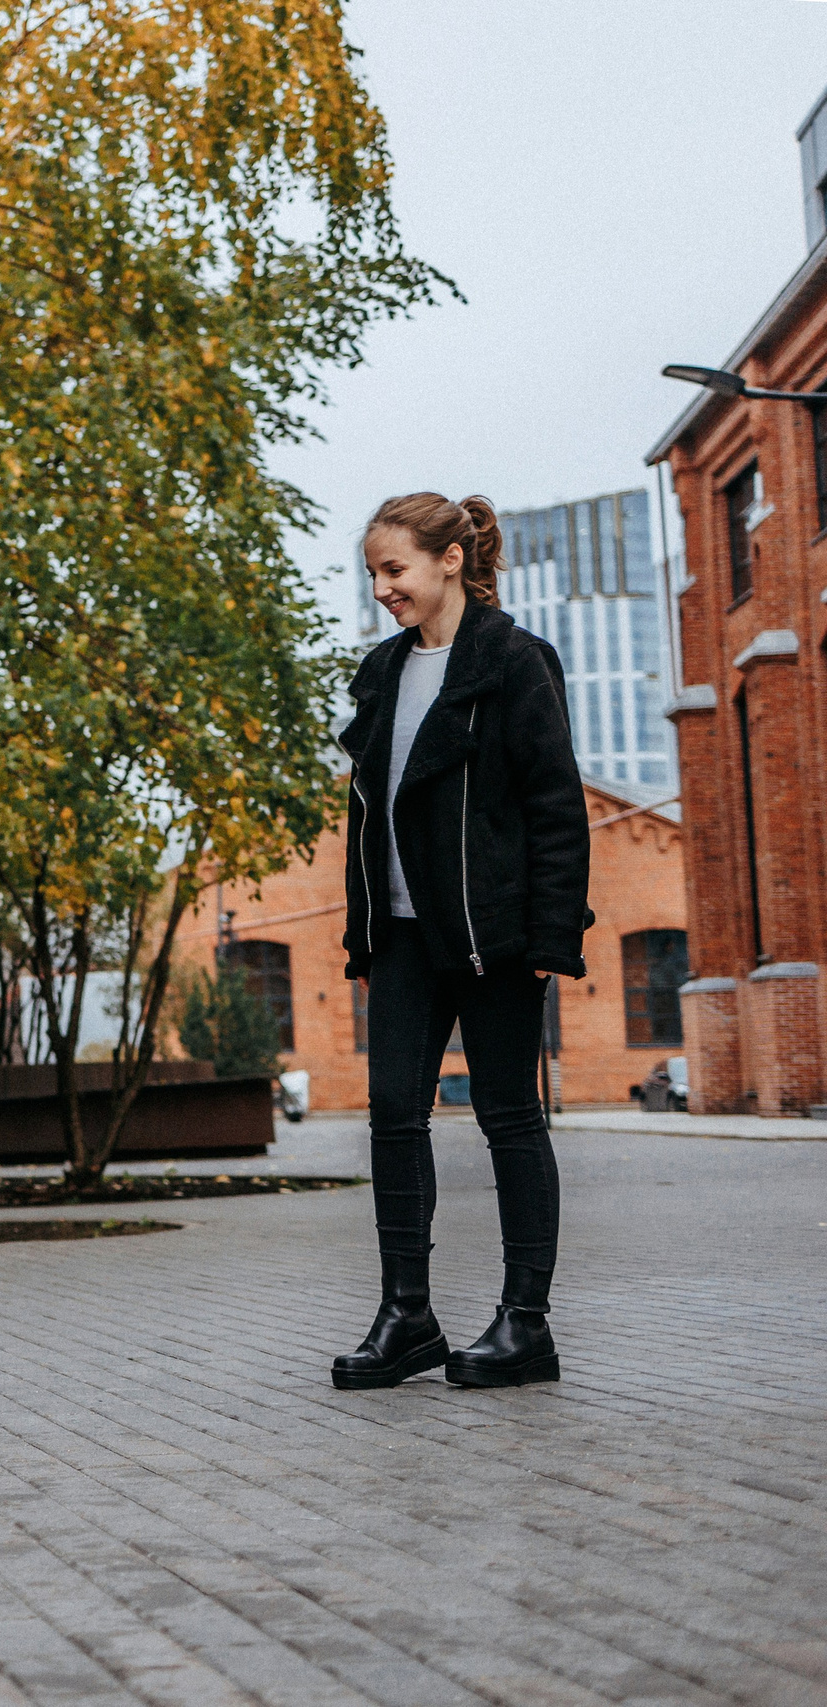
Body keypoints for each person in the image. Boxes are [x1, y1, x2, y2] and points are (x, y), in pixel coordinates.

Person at [331, 492, 590, 1392]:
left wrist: (555, 932)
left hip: (495, 935)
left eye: (393, 569)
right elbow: (366, 817)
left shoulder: (514, 662)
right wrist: (363, 932)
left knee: (509, 1117)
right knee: (392, 1117)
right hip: (401, 933)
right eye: (372, 573)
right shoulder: (382, 671)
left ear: (449, 559)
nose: (382, 589)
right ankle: (407, 1315)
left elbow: (556, 805)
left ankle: (526, 1322)